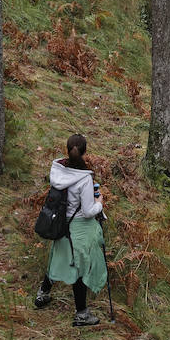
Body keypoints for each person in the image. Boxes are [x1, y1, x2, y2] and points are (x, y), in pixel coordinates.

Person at [34, 132, 108, 326]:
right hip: (78, 228)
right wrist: (99, 203)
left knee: (58, 258)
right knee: (79, 266)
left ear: (67, 151)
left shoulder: (58, 170)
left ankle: (42, 294)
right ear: (84, 152)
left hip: (59, 224)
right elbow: (88, 210)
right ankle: (82, 314)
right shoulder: (84, 179)